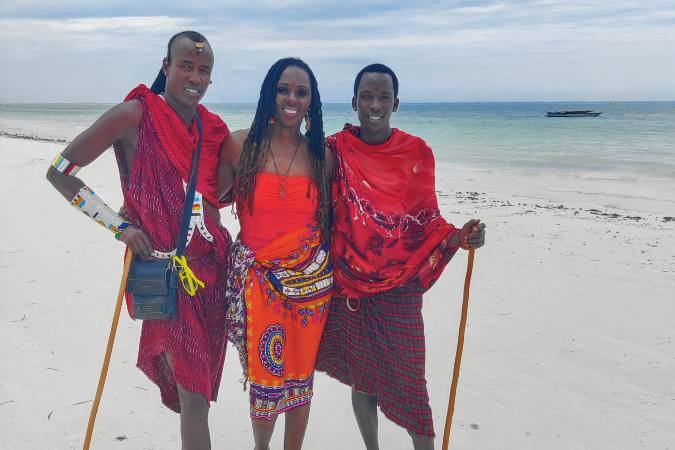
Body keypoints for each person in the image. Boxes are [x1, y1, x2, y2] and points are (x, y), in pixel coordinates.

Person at [46, 31, 231, 449]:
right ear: (166, 67)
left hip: (210, 277)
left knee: (198, 392)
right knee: (194, 397)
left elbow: (224, 189)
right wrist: (118, 226)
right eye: (186, 66)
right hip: (161, 275)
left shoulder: (212, 128)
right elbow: (59, 171)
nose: (195, 77)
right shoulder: (134, 115)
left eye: (204, 71)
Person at [316, 63, 486, 450]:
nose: (374, 105)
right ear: (355, 101)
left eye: (383, 98)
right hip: (350, 285)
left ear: (396, 104)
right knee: (363, 381)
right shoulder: (334, 150)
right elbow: (315, 205)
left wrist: (462, 237)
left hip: (400, 289)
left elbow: (427, 218)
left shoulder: (417, 152)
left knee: (411, 383)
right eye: (367, 96)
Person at [218, 57, 333, 450]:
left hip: (311, 287)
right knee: (265, 381)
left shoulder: (322, 156)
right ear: (269, 93)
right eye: (283, 89)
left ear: (311, 102)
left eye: (302, 93)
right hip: (259, 286)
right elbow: (206, 198)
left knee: (302, 378)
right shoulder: (239, 146)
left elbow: (331, 221)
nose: (291, 98)